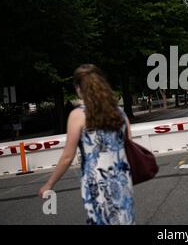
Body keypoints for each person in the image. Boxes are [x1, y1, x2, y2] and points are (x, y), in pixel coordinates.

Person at [38, 64, 135, 225]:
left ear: (78, 88)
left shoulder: (78, 115)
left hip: (97, 182)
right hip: (122, 179)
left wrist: (49, 184)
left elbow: (67, 157)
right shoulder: (119, 112)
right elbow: (129, 145)